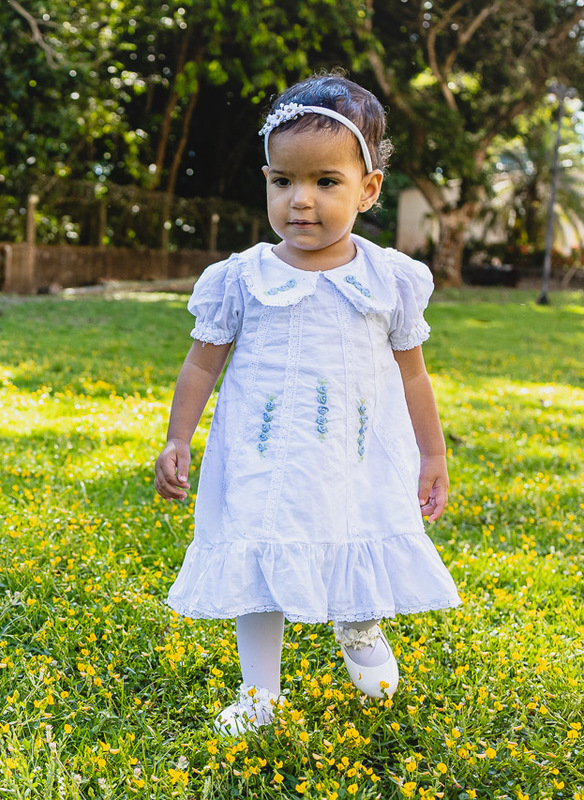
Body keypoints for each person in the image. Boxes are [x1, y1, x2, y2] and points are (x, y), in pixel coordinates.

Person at [153, 75, 460, 735]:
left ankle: (357, 617)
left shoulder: (387, 279)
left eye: (326, 181)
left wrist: (432, 454)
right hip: (260, 454)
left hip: (351, 455)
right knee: (259, 559)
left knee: (345, 532)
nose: (301, 200)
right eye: (283, 181)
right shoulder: (240, 279)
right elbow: (203, 361)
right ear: (266, 181)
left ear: (368, 189)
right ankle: (260, 695)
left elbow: (413, 377)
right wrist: (177, 438)